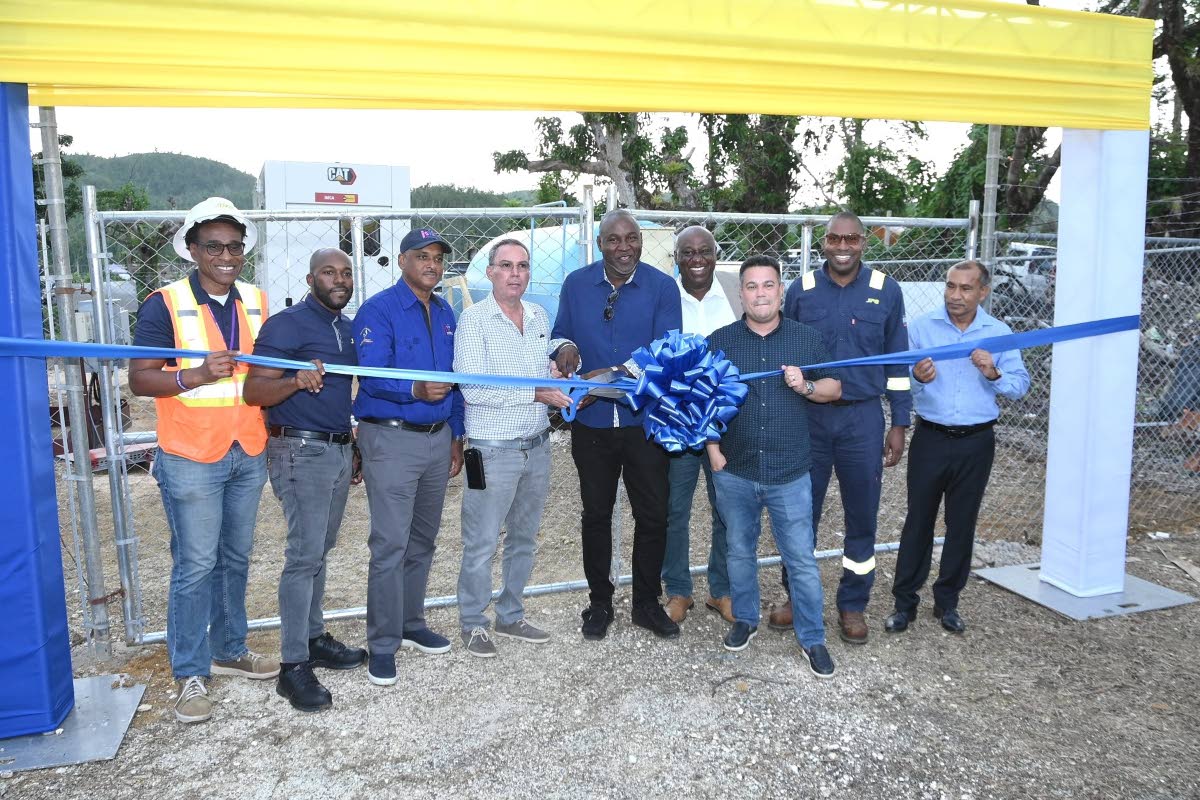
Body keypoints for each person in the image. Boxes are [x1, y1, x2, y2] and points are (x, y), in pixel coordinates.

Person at [129, 197, 279, 724]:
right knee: (195, 565)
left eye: (234, 247)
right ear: (192, 250)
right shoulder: (164, 303)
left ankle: (230, 649)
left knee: (235, 557)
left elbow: (266, 373)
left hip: (248, 448)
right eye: (213, 246)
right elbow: (139, 378)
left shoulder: (256, 301)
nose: (226, 255)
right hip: (191, 452)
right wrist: (191, 376)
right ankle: (190, 669)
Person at [773, 211, 912, 645]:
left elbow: (898, 362)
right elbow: (783, 350)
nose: (842, 246)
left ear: (863, 242)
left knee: (862, 515)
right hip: (808, 417)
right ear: (824, 243)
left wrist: (900, 422)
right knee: (799, 514)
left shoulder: (885, 291)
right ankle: (798, 597)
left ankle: (853, 604)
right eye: (834, 239)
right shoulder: (802, 290)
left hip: (863, 419)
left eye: (851, 238)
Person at [551, 209, 684, 640]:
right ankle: (599, 602)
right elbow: (558, 333)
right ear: (600, 243)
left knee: (653, 515)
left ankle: (646, 602)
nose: (623, 247)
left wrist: (603, 379)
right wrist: (566, 347)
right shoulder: (576, 284)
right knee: (596, 514)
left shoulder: (663, 288)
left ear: (641, 242)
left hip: (644, 422)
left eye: (631, 238)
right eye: (613, 240)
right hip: (591, 424)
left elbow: (663, 354)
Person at [706, 256, 842, 677]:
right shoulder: (721, 341)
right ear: (741, 293)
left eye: (768, 285)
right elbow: (704, 401)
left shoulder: (807, 339)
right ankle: (744, 619)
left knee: (800, 558)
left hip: (790, 471)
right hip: (736, 468)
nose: (760, 293)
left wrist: (807, 386)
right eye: (751, 286)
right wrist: (713, 449)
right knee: (739, 550)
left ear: (781, 291)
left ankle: (813, 637)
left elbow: (835, 387)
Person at [244, 248, 367, 711]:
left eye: (346, 273)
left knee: (320, 550)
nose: (340, 280)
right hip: (298, 449)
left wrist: (350, 444)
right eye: (329, 272)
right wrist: (294, 381)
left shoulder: (347, 328)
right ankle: (292, 664)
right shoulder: (287, 325)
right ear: (311, 277)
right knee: (303, 555)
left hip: (336, 448)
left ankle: (314, 637)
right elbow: (253, 390)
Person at [885, 261, 1029, 634]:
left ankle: (948, 602)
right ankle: (905, 603)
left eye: (966, 289)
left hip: (976, 442)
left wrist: (993, 373)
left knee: (961, 524)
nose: (955, 296)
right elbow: (899, 383)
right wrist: (916, 378)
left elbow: (1019, 385)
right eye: (951, 287)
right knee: (918, 521)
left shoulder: (998, 333)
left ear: (983, 292)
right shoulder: (920, 329)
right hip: (930, 438)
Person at [452, 239, 576, 658]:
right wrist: (537, 395)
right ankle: (472, 621)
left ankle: (510, 614)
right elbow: (472, 387)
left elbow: (539, 367)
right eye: (506, 266)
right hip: (491, 449)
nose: (515, 273)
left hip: (537, 445)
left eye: (522, 266)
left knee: (524, 538)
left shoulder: (538, 315)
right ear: (490, 273)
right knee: (482, 540)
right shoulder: (473, 321)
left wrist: (554, 370)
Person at [352, 227, 464, 686]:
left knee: (422, 540)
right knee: (390, 544)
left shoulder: (445, 311)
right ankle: (382, 643)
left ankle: (411, 622)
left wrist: (457, 434)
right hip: (392, 439)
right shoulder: (378, 310)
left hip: (438, 440)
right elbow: (370, 374)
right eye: (422, 256)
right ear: (402, 261)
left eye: (438, 257)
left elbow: (458, 376)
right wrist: (413, 389)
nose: (432, 265)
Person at [661, 225, 737, 625]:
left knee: (727, 506)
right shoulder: (663, 297)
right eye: (687, 252)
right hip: (679, 424)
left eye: (704, 251)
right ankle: (678, 589)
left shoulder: (735, 295)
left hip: (729, 424)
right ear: (676, 257)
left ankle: (721, 590)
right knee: (675, 509)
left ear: (715, 254)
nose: (695, 259)